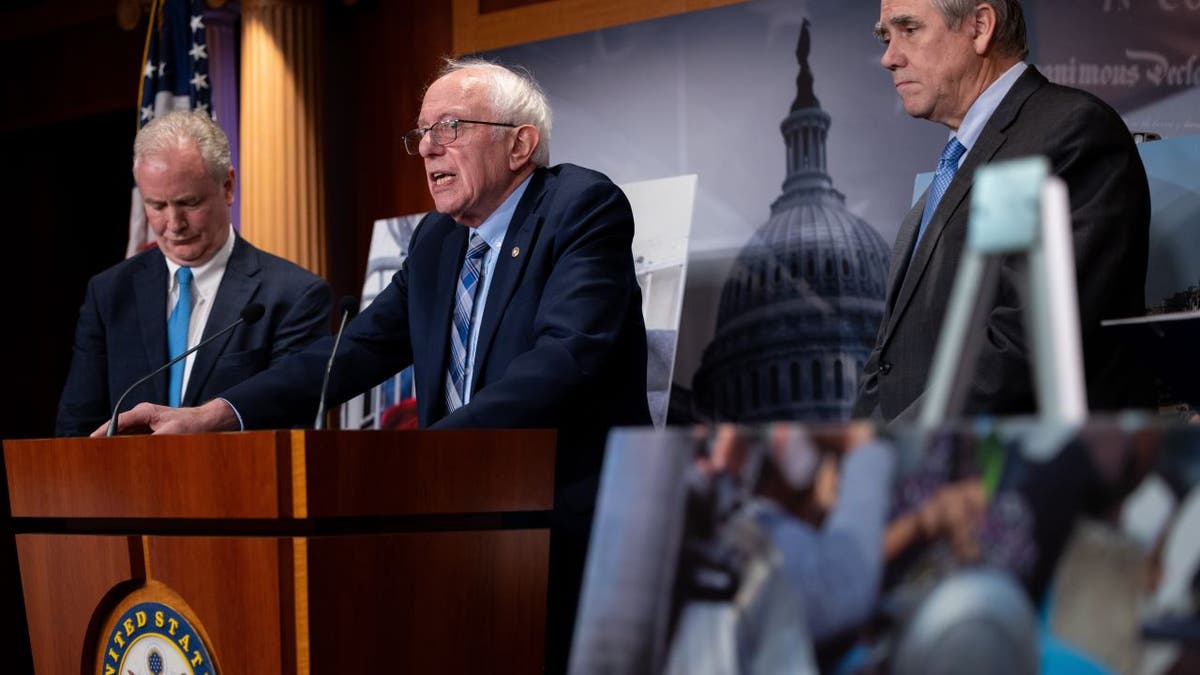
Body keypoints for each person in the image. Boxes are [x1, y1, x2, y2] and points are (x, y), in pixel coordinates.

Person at [100, 58, 652, 669]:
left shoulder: (581, 206)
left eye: (450, 128)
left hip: (572, 529)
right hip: (467, 526)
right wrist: (218, 414)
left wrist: (424, 456)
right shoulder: (439, 241)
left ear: (520, 144)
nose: (427, 149)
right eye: (421, 135)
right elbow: (353, 351)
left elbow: (564, 357)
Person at [855, 0, 1153, 424]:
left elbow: (1026, 338)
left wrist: (902, 446)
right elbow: (886, 358)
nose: (889, 57)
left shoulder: (1073, 132)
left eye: (908, 29)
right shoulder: (948, 174)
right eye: (886, 36)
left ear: (979, 26)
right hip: (926, 473)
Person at [56, 111, 332, 437]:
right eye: (157, 206)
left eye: (189, 203)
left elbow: (291, 425)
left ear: (227, 187)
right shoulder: (110, 293)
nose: (174, 224)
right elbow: (76, 430)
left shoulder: (292, 296)